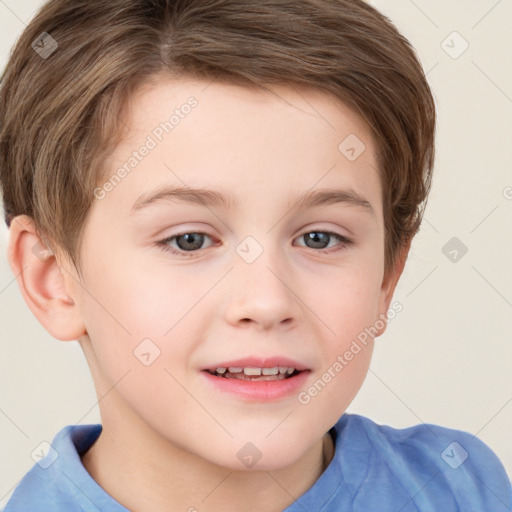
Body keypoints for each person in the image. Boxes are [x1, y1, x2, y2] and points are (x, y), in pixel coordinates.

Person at [0, 0, 510, 510]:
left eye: (320, 238)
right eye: (189, 240)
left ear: (387, 277)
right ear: (54, 279)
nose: (266, 302)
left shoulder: (461, 488)